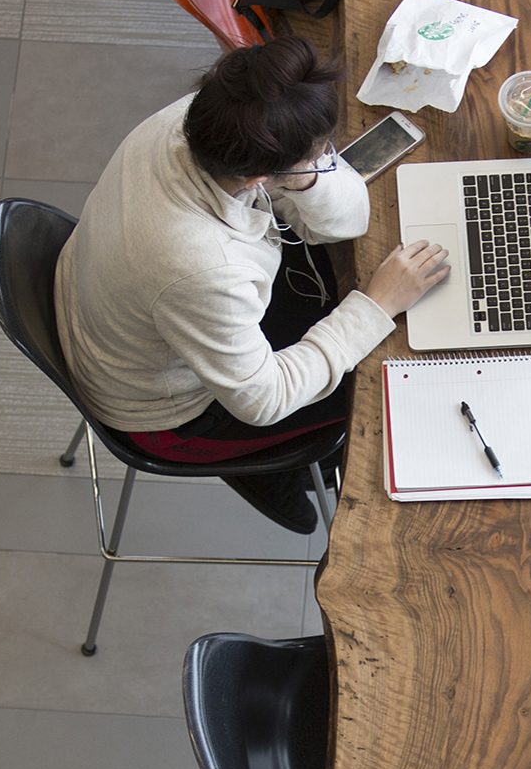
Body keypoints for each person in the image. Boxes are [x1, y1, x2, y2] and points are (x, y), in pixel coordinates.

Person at [54, 36, 450, 534]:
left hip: (121, 313)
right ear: (260, 175)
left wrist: (304, 175)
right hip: (168, 414)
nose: (327, 160)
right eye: (321, 153)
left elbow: (343, 223)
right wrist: (377, 304)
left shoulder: (203, 118)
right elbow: (264, 400)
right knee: (392, 386)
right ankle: (266, 472)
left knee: (335, 296)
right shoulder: (201, 267)